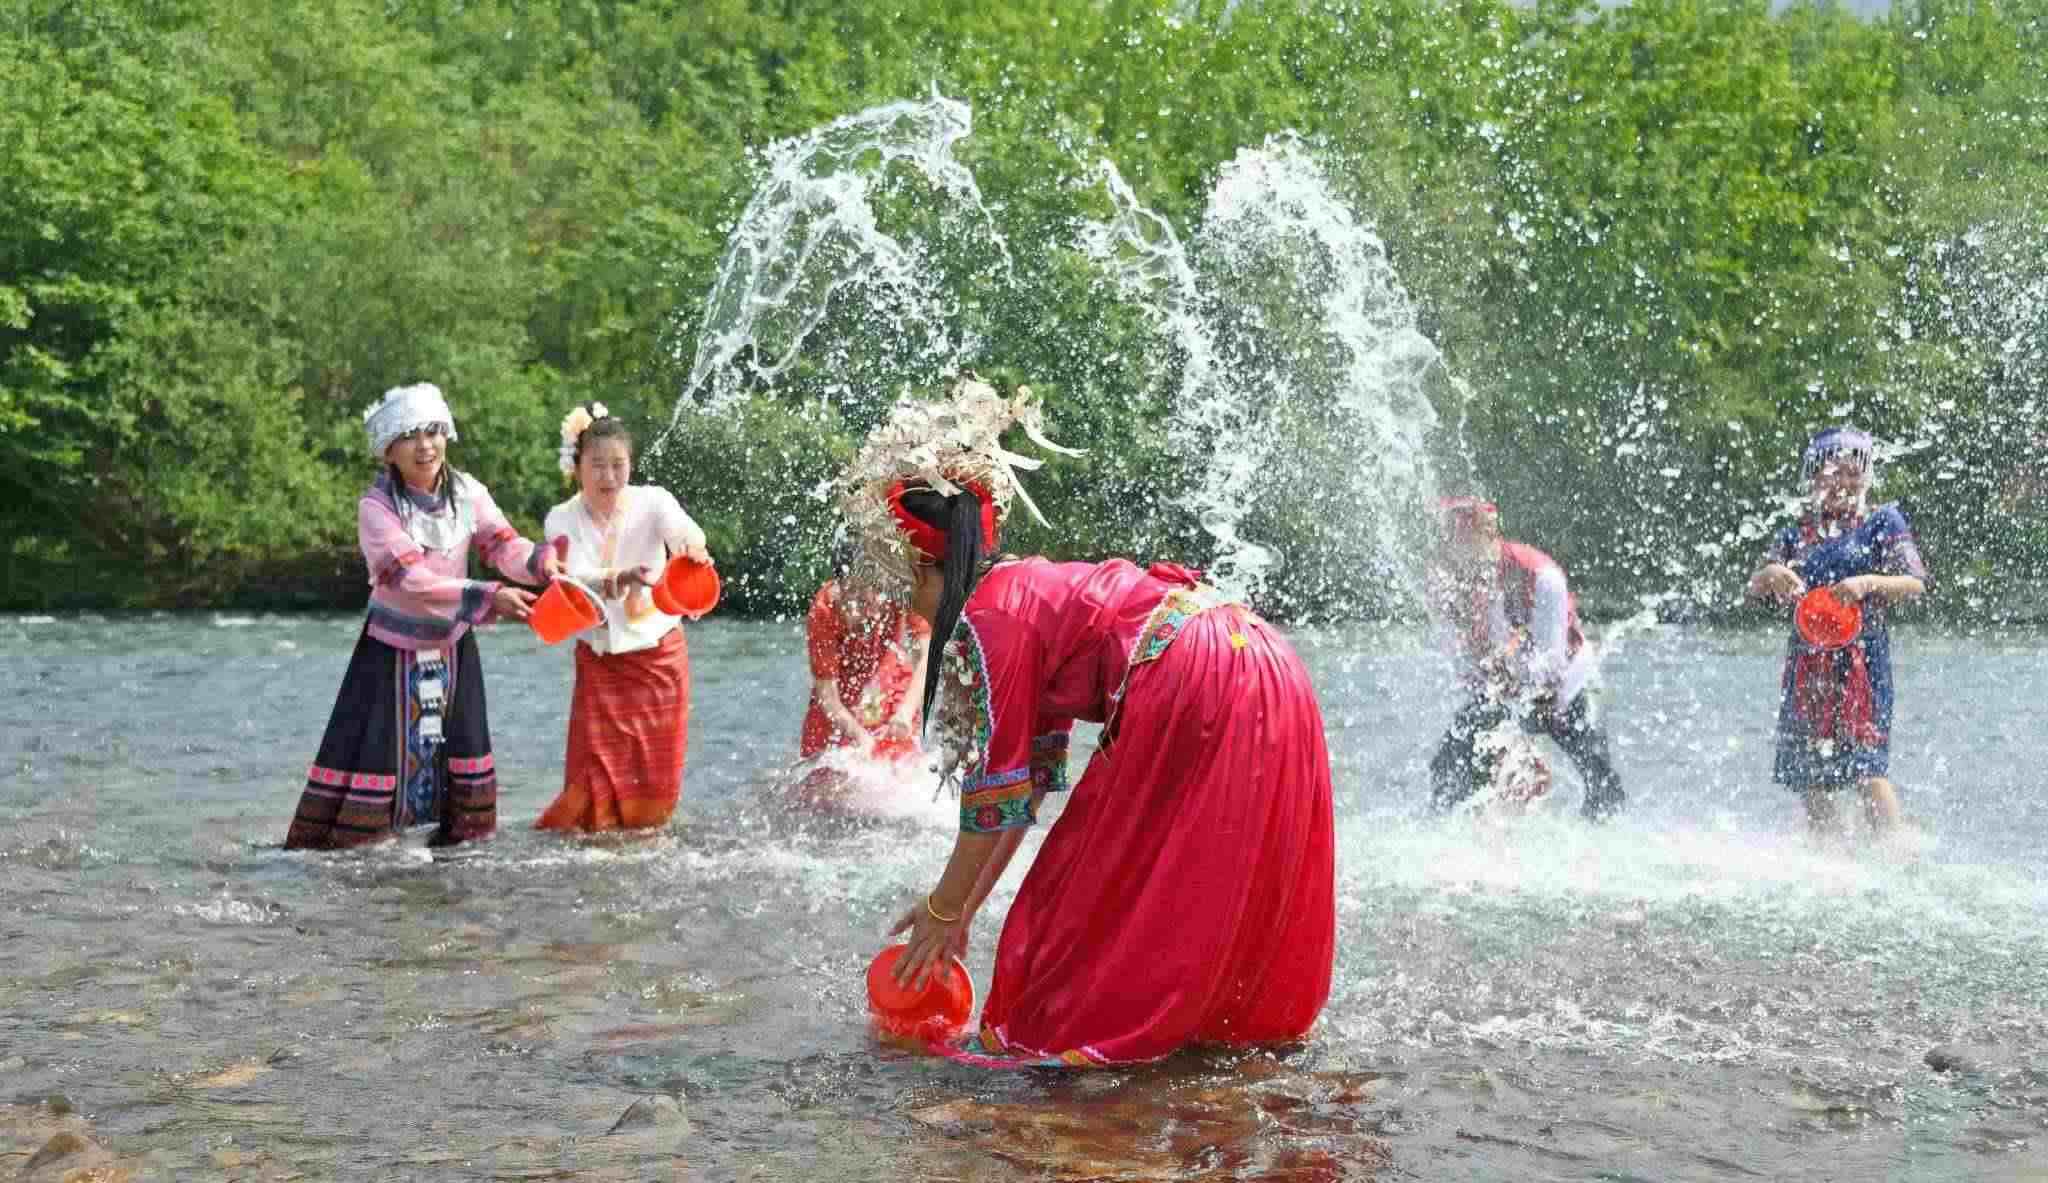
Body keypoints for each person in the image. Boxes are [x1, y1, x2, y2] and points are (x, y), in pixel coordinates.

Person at [857, 376, 1336, 1067]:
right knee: (1194, 879)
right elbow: (1022, 795)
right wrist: (962, 911)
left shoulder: (990, 617)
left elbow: (991, 796)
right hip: (1262, 657)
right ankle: (1220, 1050)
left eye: (909, 588)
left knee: (1073, 899)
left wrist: (939, 908)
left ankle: (1064, 1051)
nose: (912, 609)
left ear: (933, 569)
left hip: (1189, 669)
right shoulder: (1028, 592)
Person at [287, 383, 557, 850]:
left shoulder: (468, 492)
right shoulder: (376, 508)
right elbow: (412, 581)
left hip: (454, 649)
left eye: (433, 432)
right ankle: (369, 855)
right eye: (409, 436)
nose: (425, 445)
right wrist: (491, 596)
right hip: (392, 654)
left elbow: (502, 545)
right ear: (388, 451)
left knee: (461, 787)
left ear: (446, 435)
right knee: (380, 767)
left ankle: (454, 854)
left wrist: (541, 564)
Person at [534, 404, 710, 834]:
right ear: (577, 467)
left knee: (657, 768)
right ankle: (595, 845)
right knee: (593, 767)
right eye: (597, 465)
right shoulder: (561, 518)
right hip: (601, 661)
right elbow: (572, 577)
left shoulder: (653, 501)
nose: (608, 476)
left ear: (631, 464)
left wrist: (693, 548)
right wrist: (621, 578)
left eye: (618, 464)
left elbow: (683, 530)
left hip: (658, 657)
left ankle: (646, 845)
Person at [1747, 426, 1928, 836]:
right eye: (1833, 473)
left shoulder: (1883, 522)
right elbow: (1753, 589)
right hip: (1807, 661)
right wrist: (1771, 574)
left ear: (1865, 477)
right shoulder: (1796, 531)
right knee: (1811, 773)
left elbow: (1915, 583)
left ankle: (1893, 850)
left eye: (1852, 473)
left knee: (1868, 766)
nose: (1842, 482)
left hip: (1863, 660)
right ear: (1814, 477)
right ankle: (1828, 856)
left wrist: (1867, 583)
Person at [1425, 497, 1625, 821]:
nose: (1463, 567)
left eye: (1466, 548)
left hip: (1569, 687)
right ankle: (1451, 829)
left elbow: (1550, 665)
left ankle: (1605, 831)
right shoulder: (1449, 587)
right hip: (1505, 690)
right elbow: (1462, 667)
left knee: (1599, 774)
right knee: (1449, 763)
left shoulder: (1541, 575)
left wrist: (1504, 671)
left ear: (1490, 539)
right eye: (1453, 550)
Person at [791, 540, 931, 809]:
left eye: (874, 593)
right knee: (816, 797)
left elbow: (928, 657)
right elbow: (827, 695)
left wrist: (905, 711)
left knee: (903, 786)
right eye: (856, 596)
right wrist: (859, 735)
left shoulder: (902, 590)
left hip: (891, 688)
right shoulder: (825, 608)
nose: (869, 607)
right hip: (838, 703)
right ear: (841, 586)